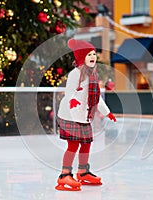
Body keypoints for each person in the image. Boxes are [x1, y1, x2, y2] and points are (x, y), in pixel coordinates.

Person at [55, 39, 116, 191]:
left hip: (83, 116)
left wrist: (107, 112)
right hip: (69, 114)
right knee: (73, 144)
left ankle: (82, 171)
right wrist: (73, 100)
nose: (93, 57)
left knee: (87, 143)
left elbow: (97, 99)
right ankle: (64, 175)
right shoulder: (75, 74)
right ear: (82, 57)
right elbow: (69, 92)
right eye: (89, 54)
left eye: (94, 54)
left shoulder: (93, 75)